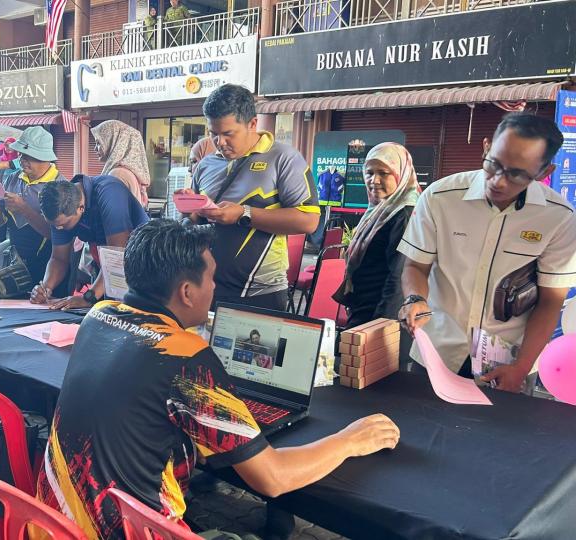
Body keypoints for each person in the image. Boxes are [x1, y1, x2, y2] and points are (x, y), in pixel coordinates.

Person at [36, 219, 400, 539]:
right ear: (186, 292)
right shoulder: (184, 356)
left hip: (52, 524)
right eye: (212, 277)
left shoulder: (98, 316)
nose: (214, 288)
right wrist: (350, 440)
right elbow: (272, 478)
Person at [399, 113, 576, 392]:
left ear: (544, 172)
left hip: (510, 361)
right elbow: (415, 266)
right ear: (486, 147)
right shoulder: (440, 197)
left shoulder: (559, 218)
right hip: (437, 351)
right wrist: (415, 299)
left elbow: (550, 301)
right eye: (493, 164)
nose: (499, 182)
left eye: (517, 174)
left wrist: (521, 367)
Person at [183, 84, 320, 311]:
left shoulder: (284, 158)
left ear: (252, 124)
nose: (220, 142)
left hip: (261, 291)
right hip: (206, 285)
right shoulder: (206, 165)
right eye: (213, 134)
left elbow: (309, 220)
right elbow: (195, 219)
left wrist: (243, 214)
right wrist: (190, 208)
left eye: (228, 134)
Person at [333, 143, 420, 328]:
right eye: (369, 173)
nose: (374, 180)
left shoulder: (404, 215)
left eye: (383, 173)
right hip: (364, 307)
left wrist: (380, 325)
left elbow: (398, 277)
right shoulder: (380, 210)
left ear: (401, 174)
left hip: (379, 314)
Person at [31, 177, 149, 309]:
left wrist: (88, 298)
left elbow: (117, 255)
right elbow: (59, 258)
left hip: (144, 267)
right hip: (109, 270)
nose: (58, 229)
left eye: (62, 224)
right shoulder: (60, 206)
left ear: (81, 208)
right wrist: (45, 288)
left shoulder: (109, 193)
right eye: (54, 225)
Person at [0, 127, 69, 296]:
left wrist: (24, 208)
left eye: (28, 156)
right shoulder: (12, 178)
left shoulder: (61, 187)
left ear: (44, 158)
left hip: (49, 268)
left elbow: (56, 234)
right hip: (17, 266)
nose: (22, 160)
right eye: (21, 154)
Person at [91, 120, 152, 207]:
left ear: (113, 143)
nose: (95, 148)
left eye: (99, 143)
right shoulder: (127, 171)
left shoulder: (118, 174)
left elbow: (111, 210)